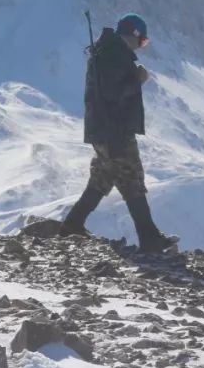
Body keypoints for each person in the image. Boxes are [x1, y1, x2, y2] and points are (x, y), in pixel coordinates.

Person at [60, 13, 177, 253]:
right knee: (132, 179)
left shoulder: (107, 51)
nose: (142, 46)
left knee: (102, 179)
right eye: (142, 41)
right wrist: (137, 79)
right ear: (134, 35)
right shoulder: (114, 54)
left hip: (102, 130)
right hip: (115, 131)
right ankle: (150, 239)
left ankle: (72, 225)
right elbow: (113, 94)